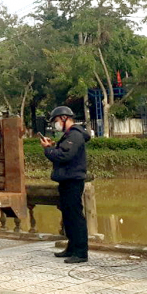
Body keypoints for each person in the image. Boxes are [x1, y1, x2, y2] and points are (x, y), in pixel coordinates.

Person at [40, 106, 91, 263]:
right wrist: (52, 147)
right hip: (66, 180)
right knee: (68, 217)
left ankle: (81, 252)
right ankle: (71, 248)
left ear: (64, 118)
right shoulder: (69, 135)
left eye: (55, 121)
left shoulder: (75, 134)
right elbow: (63, 152)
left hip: (73, 181)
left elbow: (63, 156)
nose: (55, 124)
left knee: (75, 217)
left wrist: (48, 149)